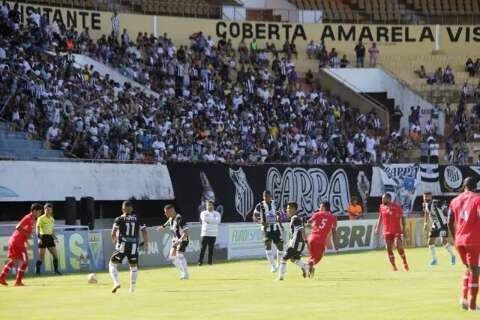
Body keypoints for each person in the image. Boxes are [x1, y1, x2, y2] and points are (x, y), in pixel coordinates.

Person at [448, 177, 480, 311]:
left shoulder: (454, 200)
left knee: (469, 268)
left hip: (459, 240)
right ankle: (472, 305)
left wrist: (455, 237)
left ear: (464, 186)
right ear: (475, 186)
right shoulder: (478, 198)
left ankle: (463, 299)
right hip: (473, 239)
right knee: (475, 270)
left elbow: (449, 221)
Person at [109, 200, 149, 293]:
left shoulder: (119, 219)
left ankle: (116, 283)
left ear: (122, 209)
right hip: (134, 246)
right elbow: (144, 231)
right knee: (134, 267)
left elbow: (113, 233)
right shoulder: (137, 218)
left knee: (112, 264)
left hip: (122, 245)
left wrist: (115, 243)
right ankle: (132, 289)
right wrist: (146, 244)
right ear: (132, 209)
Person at [0, 203, 43, 286]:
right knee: (25, 261)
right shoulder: (28, 217)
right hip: (17, 242)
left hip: (16, 241)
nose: (40, 213)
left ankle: (2, 277)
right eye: (39, 211)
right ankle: (18, 281)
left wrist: (26, 241)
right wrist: (27, 234)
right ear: (34, 211)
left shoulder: (32, 219)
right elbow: (18, 226)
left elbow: (24, 231)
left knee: (13, 261)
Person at [375, 193, 409, 271]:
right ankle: (394, 266)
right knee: (388, 248)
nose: (382, 200)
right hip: (387, 232)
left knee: (398, 246)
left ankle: (404, 262)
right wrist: (378, 227)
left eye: (384, 198)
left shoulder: (397, 207)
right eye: (382, 198)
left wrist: (404, 229)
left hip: (396, 231)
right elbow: (380, 217)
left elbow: (402, 218)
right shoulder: (382, 207)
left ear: (389, 199)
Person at [253, 190, 284, 273]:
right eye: (264, 196)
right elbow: (254, 216)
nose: (266, 198)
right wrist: (261, 222)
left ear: (271, 196)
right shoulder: (260, 205)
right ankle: (273, 266)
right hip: (266, 229)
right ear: (263, 197)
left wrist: (280, 224)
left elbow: (279, 214)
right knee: (268, 245)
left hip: (275, 228)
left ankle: (278, 264)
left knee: (280, 246)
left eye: (268, 196)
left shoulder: (275, 204)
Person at [422, 192, 456, 266]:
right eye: (424, 197)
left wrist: (448, 217)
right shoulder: (425, 205)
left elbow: (447, 210)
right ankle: (434, 260)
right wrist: (425, 223)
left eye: (427, 197)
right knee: (430, 242)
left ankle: (453, 256)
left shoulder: (437, 203)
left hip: (443, 224)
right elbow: (426, 213)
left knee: (443, 240)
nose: (425, 198)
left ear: (431, 197)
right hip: (435, 225)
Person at [277, 202, 308, 280]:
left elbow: (302, 230)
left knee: (284, 258)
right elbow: (303, 228)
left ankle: (281, 277)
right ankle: (306, 267)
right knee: (294, 259)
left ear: (293, 209)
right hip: (299, 243)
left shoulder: (295, 218)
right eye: (287, 208)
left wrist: (306, 240)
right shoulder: (298, 218)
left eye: (288, 208)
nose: (287, 210)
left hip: (296, 243)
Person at [158, 204, 190, 280]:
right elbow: (168, 221)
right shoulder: (171, 218)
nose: (165, 214)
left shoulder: (180, 219)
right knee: (172, 257)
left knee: (179, 255)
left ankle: (186, 274)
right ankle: (183, 272)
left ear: (172, 211)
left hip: (183, 239)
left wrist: (180, 240)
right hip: (175, 239)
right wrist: (163, 226)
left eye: (166, 212)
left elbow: (186, 232)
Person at [306, 201, 337, 278]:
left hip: (311, 238)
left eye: (320, 207)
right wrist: (336, 245)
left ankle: (310, 266)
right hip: (321, 241)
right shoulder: (333, 217)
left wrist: (311, 227)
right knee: (318, 257)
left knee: (312, 256)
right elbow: (334, 231)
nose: (319, 208)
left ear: (323, 207)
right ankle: (310, 264)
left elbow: (308, 223)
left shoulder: (316, 214)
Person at [35, 203, 62, 275]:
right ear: (44, 210)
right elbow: (37, 229)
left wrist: (55, 238)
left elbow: (52, 231)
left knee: (55, 255)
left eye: (49, 209)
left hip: (50, 238)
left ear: (51, 210)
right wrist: (39, 238)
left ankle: (56, 271)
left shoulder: (52, 219)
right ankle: (38, 270)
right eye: (46, 209)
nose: (48, 211)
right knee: (41, 258)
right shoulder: (40, 218)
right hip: (43, 237)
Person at [198, 200, 221, 266]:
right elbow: (204, 219)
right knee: (203, 248)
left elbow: (218, 221)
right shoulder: (203, 213)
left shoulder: (217, 213)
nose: (210, 206)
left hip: (213, 233)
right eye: (208, 205)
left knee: (211, 250)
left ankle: (210, 263)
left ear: (213, 206)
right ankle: (200, 262)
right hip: (205, 233)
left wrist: (209, 221)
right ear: (206, 206)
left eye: (211, 205)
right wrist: (213, 221)